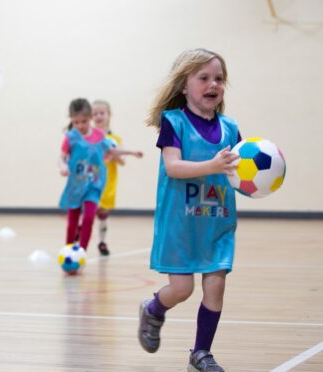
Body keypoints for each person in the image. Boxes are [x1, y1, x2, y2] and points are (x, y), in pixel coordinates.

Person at [137, 48, 242, 372]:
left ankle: (201, 353)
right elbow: (173, 167)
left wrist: (256, 182)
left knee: (216, 284)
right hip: (181, 224)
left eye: (219, 79)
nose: (214, 84)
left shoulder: (230, 128)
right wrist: (211, 165)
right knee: (182, 289)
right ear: (184, 85)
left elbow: (239, 173)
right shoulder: (174, 122)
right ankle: (154, 309)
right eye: (204, 78)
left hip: (217, 222)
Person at [58, 98, 142, 253]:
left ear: (90, 118)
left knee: (89, 218)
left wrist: (130, 152)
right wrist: (63, 167)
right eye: (76, 122)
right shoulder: (70, 137)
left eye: (84, 121)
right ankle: (68, 249)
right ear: (71, 120)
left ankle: (81, 252)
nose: (80, 126)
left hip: (94, 185)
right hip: (76, 185)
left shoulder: (99, 135)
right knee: (73, 222)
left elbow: (111, 151)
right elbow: (61, 158)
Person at [91, 100, 143, 255]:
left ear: (109, 115)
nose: (98, 116)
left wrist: (115, 156)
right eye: (95, 114)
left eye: (102, 113)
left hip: (108, 181)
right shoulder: (89, 137)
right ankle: (80, 238)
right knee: (89, 209)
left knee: (103, 212)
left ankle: (102, 242)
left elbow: (122, 162)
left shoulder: (116, 139)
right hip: (92, 179)